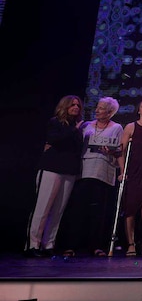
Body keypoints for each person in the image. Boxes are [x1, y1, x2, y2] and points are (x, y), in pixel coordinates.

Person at [60, 96, 123, 257]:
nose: (96, 110)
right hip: (83, 170)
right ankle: (71, 245)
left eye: (101, 108)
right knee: (77, 210)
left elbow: (119, 150)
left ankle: (96, 246)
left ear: (110, 112)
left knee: (99, 212)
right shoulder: (86, 126)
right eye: (97, 107)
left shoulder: (117, 127)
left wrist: (114, 156)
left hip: (103, 171)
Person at [25, 95, 84, 257]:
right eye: (72, 105)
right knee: (43, 207)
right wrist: (74, 130)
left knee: (58, 210)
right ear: (65, 106)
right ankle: (32, 245)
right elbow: (53, 139)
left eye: (78, 105)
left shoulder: (78, 127)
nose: (76, 107)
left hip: (69, 171)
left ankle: (48, 244)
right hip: (51, 168)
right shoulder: (56, 122)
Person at [117, 98, 142, 257]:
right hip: (133, 173)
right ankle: (131, 244)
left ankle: (141, 239)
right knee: (130, 210)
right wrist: (122, 170)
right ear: (139, 110)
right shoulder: (131, 127)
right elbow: (121, 150)